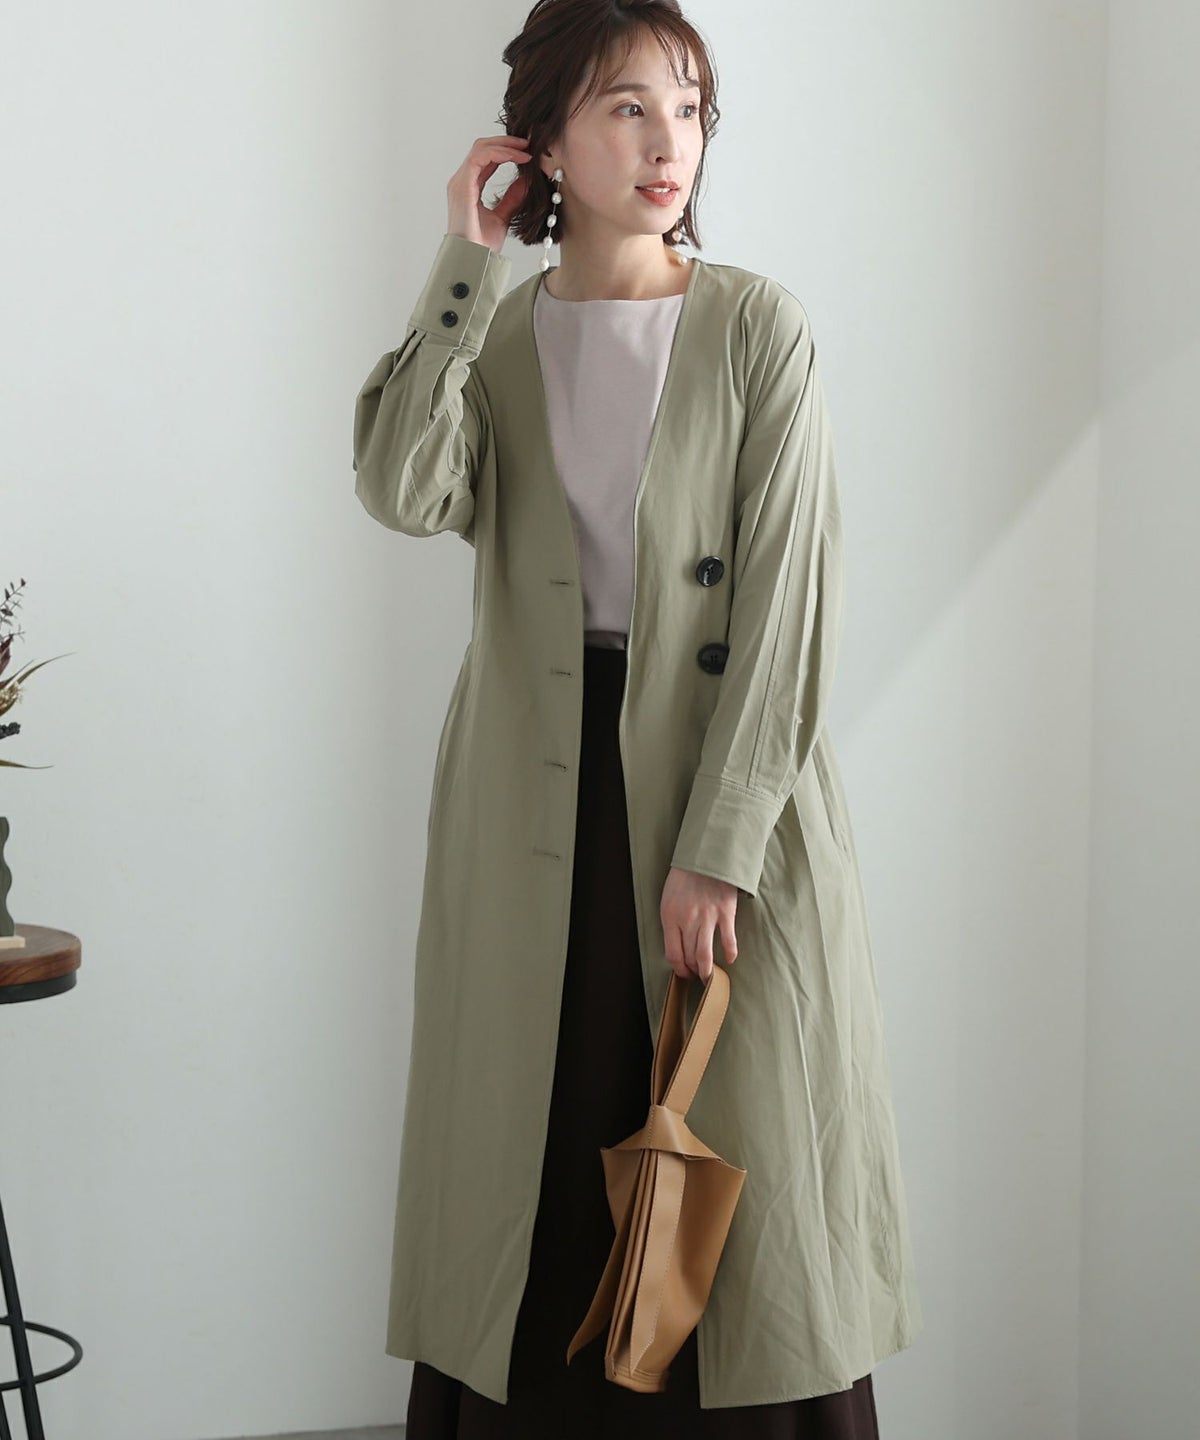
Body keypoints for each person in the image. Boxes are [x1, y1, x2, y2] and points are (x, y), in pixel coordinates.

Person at [351, 2, 923, 1435]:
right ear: (544, 141)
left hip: (721, 782)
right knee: (539, 1157)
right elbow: (403, 489)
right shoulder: (495, 336)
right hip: (533, 795)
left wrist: (720, 847)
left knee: (735, 1158)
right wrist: (465, 260)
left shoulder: (757, 328)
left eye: (689, 109)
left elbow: (789, 610)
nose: (670, 142)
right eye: (626, 107)